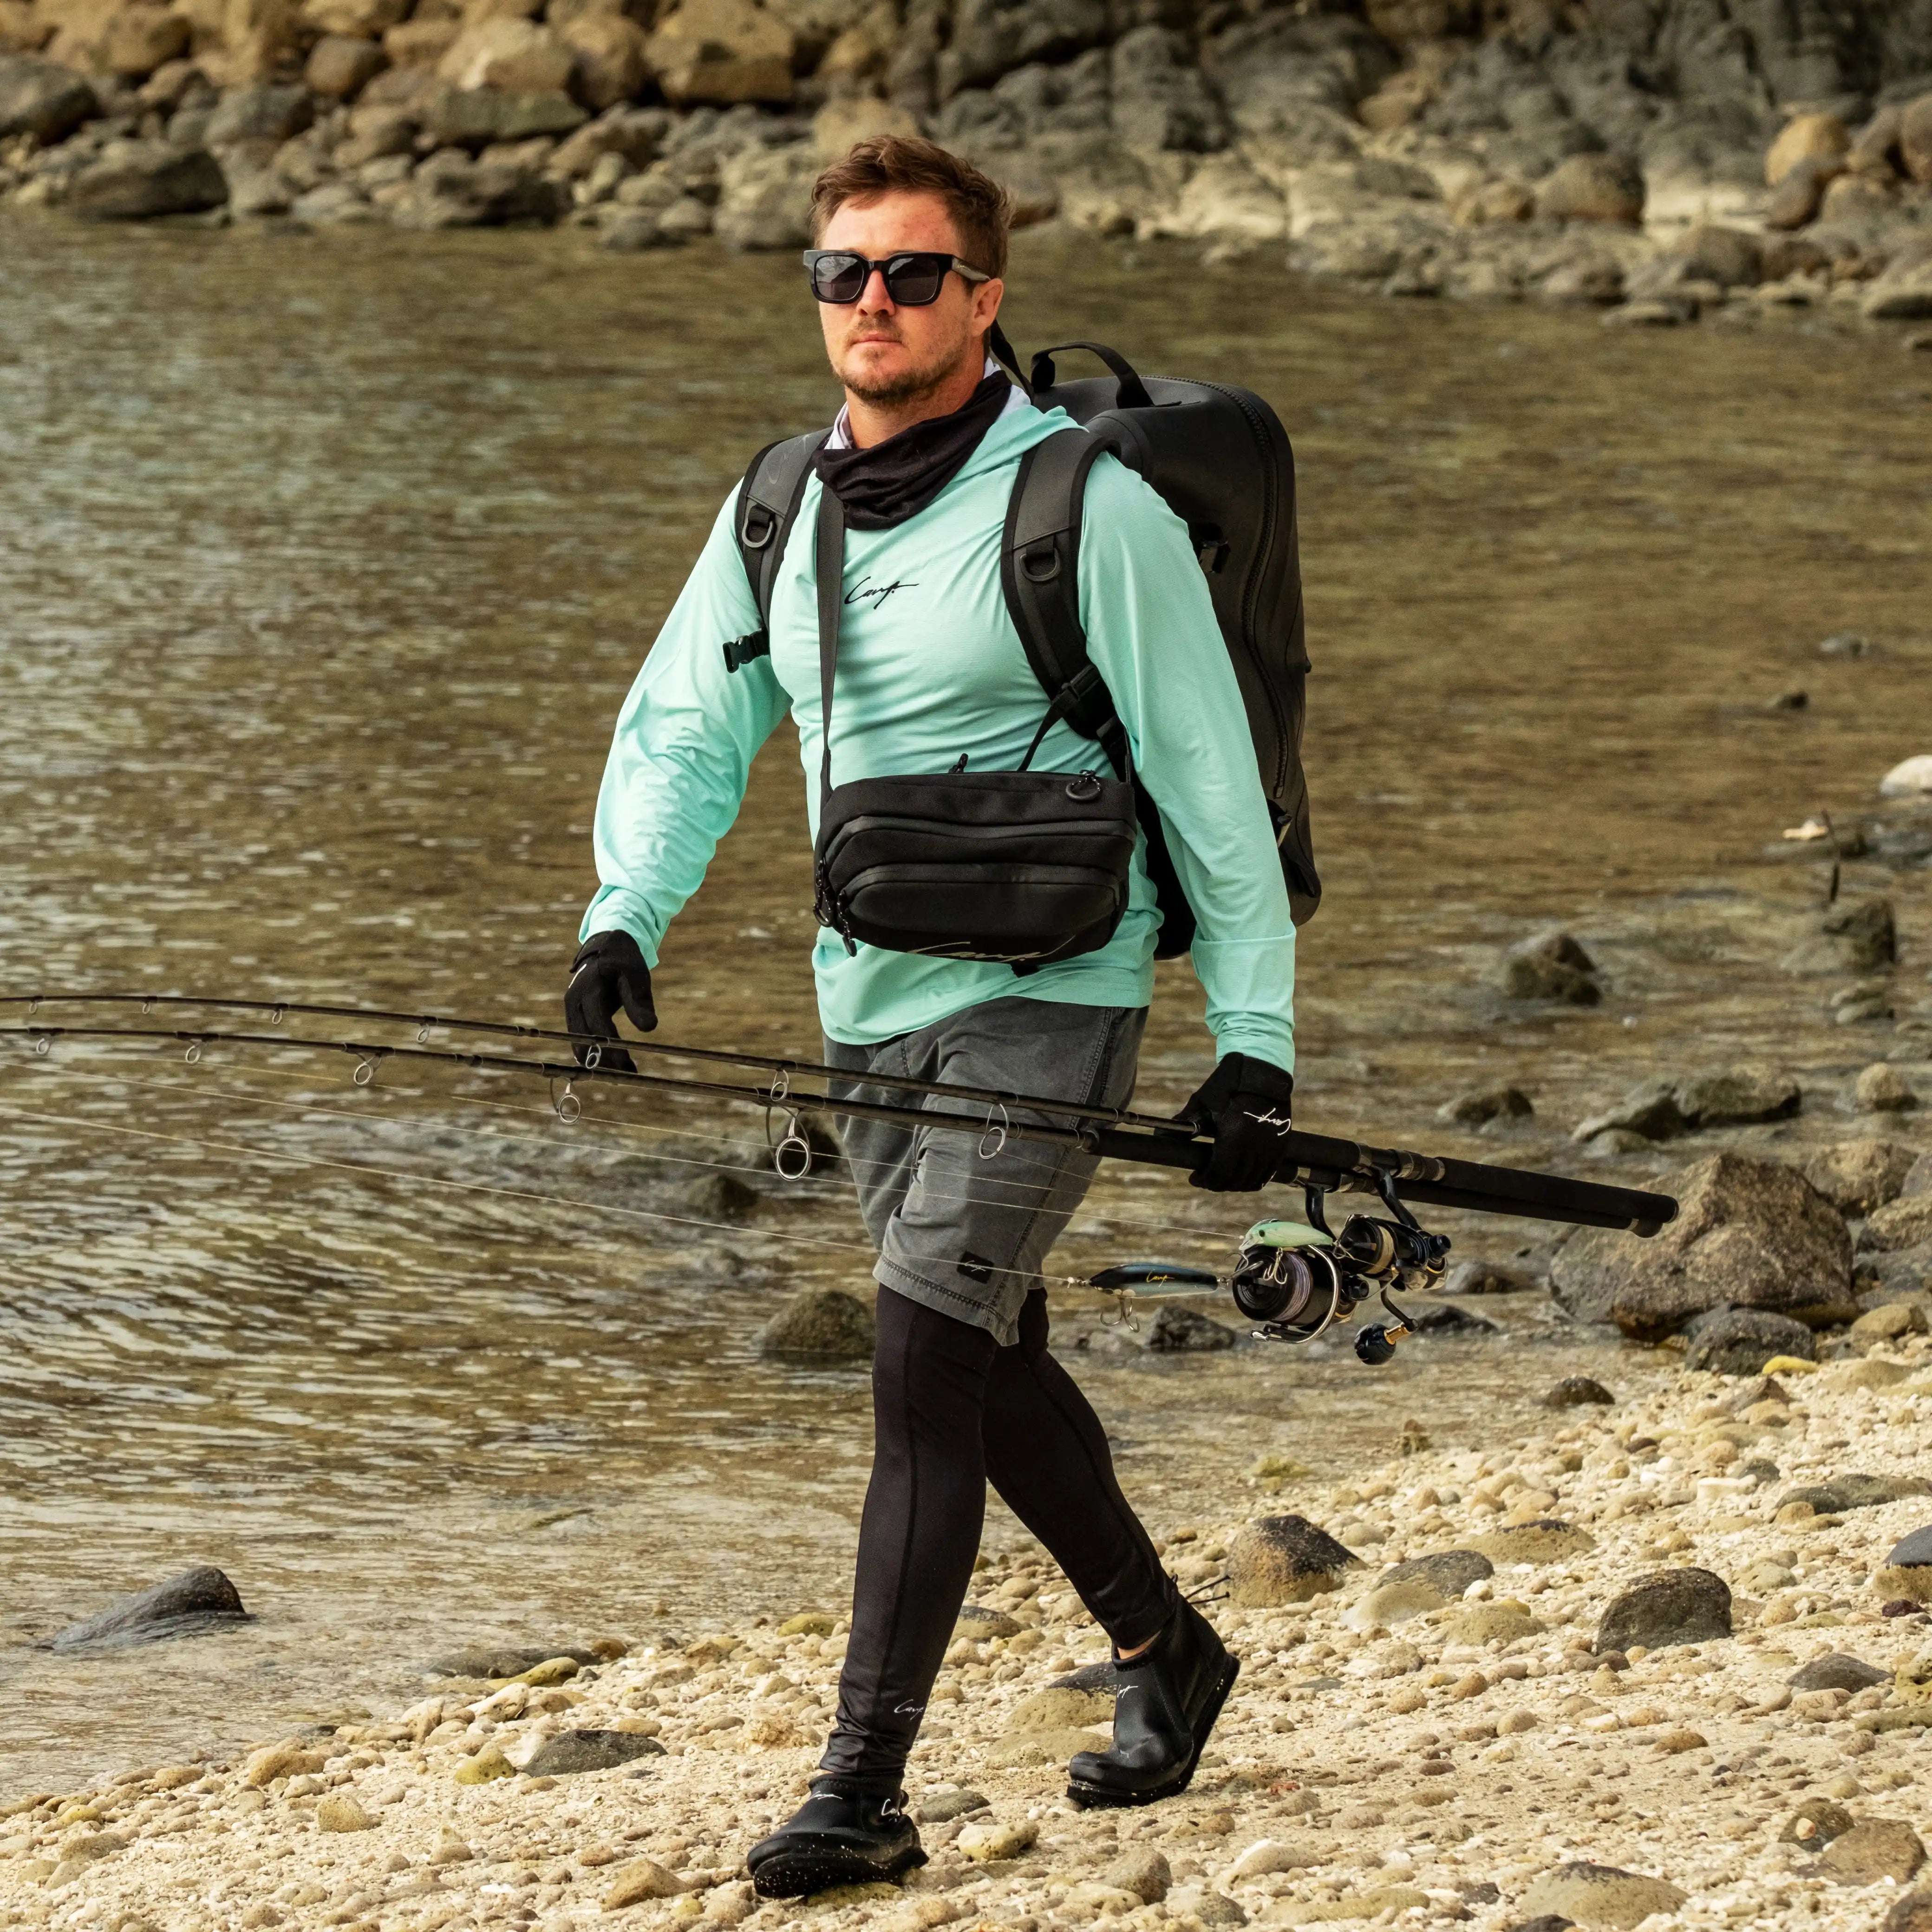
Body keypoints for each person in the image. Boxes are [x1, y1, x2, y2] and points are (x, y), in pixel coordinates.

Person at [566, 135, 1299, 1899]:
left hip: (1060, 990)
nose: (872, 304)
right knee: (983, 1357)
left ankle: (862, 1785)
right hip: (871, 995)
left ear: (985, 299)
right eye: (845, 275)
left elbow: (1207, 771)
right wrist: (621, 916)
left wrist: (1256, 1036)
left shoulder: (1084, 507)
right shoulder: (778, 507)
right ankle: (1168, 1649)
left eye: (910, 275)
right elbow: (686, 728)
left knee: (915, 1365)